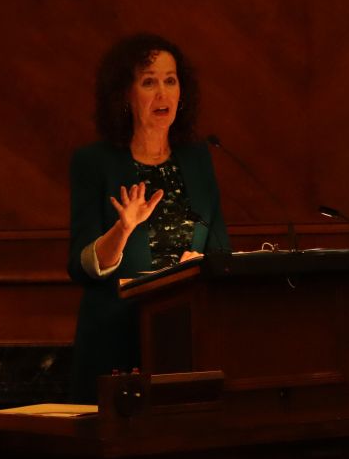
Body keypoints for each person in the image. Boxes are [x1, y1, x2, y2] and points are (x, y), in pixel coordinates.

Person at [67, 33, 229, 403]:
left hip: (187, 341)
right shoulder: (95, 162)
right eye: (149, 81)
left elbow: (221, 249)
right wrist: (123, 230)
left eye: (170, 80)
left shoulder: (198, 158)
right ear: (125, 93)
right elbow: (82, 265)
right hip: (118, 341)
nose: (163, 93)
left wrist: (202, 265)